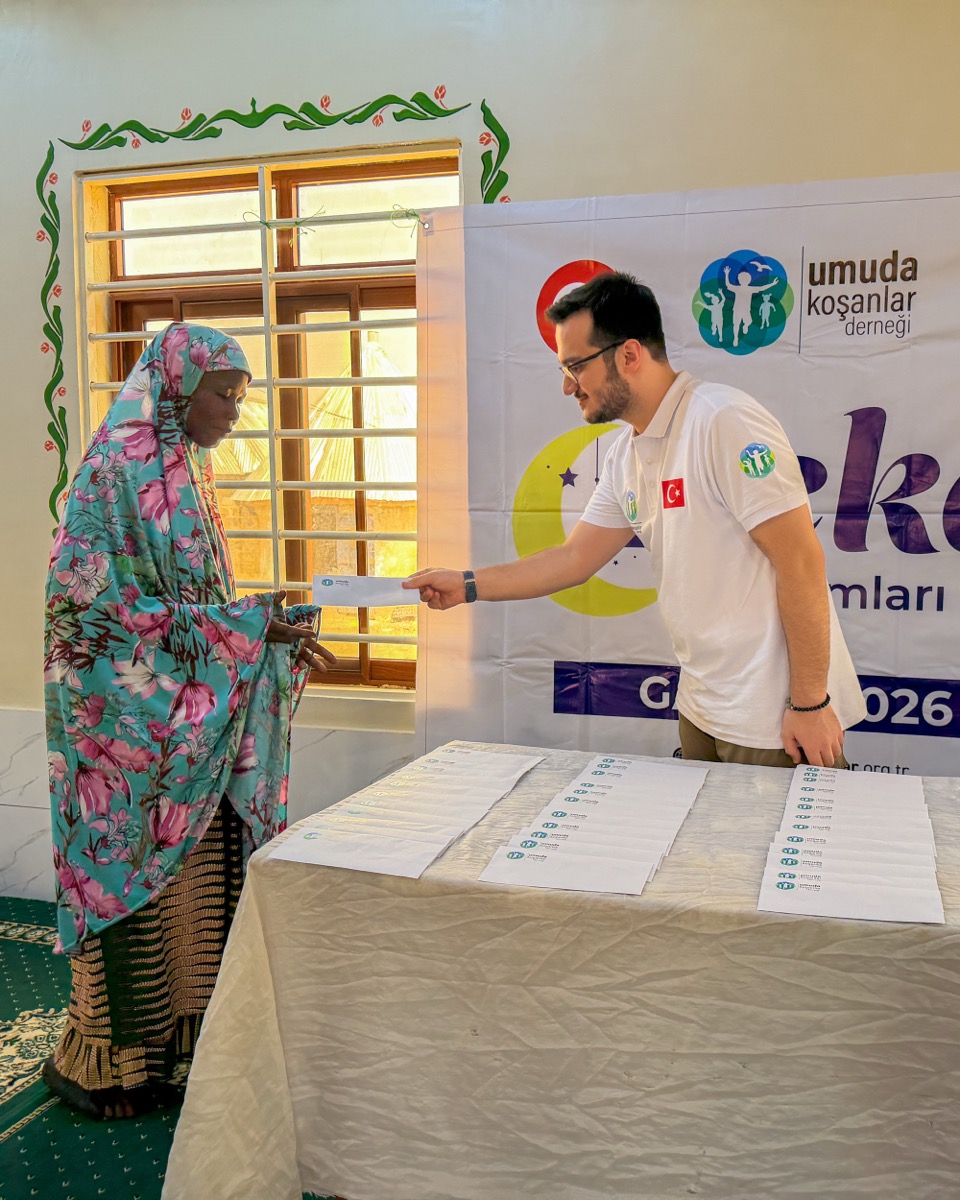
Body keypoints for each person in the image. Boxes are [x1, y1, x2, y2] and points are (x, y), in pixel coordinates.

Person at [42, 322, 335, 1119]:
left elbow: (194, 602)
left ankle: (180, 1053)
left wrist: (265, 631)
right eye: (224, 395)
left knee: (199, 883)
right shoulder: (113, 473)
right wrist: (245, 630)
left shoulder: (186, 471)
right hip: (122, 731)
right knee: (132, 879)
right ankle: (107, 1066)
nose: (234, 413)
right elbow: (90, 615)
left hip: (187, 723)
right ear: (177, 388)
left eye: (240, 398)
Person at [403, 271, 865, 768]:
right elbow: (574, 558)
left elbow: (800, 561)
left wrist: (810, 703)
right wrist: (466, 584)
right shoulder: (627, 453)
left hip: (774, 719)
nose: (567, 386)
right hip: (702, 709)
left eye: (575, 366)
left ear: (628, 355)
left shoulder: (722, 420)